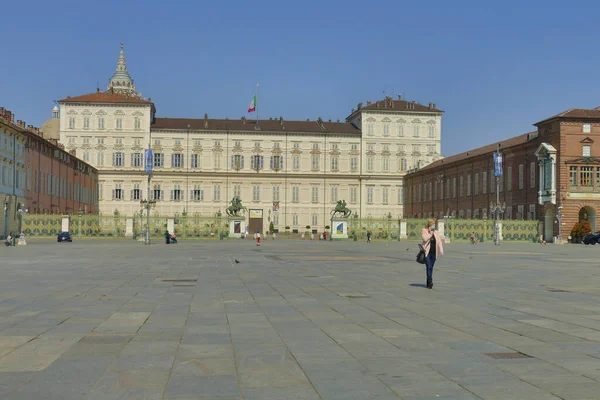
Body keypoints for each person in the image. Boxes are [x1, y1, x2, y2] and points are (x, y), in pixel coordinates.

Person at [421, 219, 444, 289]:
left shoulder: (436, 232)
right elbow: (424, 239)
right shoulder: (424, 230)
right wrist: (430, 233)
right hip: (427, 252)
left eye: (434, 224)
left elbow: (439, 242)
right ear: (429, 224)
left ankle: (428, 281)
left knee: (431, 267)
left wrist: (441, 250)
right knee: (429, 266)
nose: (433, 225)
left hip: (434, 252)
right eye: (432, 224)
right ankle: (430, 281)